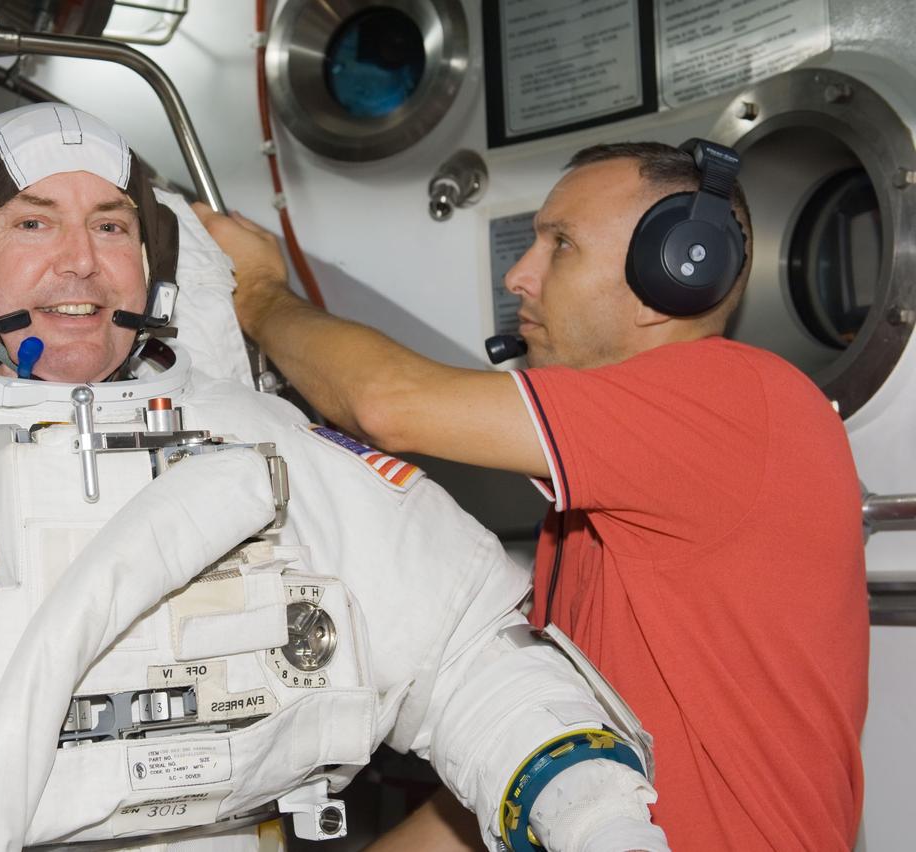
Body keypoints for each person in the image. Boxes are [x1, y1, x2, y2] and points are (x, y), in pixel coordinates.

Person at [0, 104, 670, 852]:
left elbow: (463, 648)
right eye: (32, 222)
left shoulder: (256, 439)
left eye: (112, 226)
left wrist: (594, 814)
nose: (81, 262)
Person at [196, 140, 869, 850]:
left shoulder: (740, 400)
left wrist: (260, 293)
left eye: (561, 245)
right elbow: (527, 772)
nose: (518, 275)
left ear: (675, 273)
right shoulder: (581, 519)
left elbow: (385, 402)